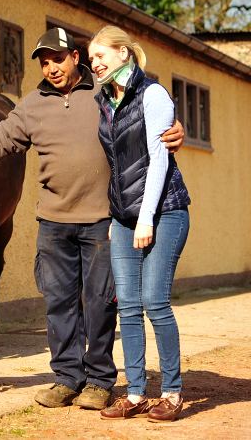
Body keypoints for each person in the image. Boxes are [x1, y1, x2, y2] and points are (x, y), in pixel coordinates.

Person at [0, 27, 184, 410]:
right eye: (44, 63)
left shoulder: (104, 91)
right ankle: (66, 378)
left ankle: (98, 381)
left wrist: (176, 129)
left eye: (57, 59)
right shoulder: (31, 104)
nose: (51, 68)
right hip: (54, 220)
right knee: (58, 303)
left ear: (76, 57)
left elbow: (149, 112)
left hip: (102, 220)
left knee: (99, 304)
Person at [87, 26, 190, 422]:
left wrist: (145, 217)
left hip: (165, 211)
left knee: (154, 301)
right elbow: (118, 169)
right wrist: (118, 216)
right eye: (91, 57)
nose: (94, 63)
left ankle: (172, 392)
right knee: (127, 306)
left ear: (125, 53)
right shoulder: (106, 102)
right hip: (126, 217)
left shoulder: (153, 94)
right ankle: (134, 394)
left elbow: (158, 159)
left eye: (101, 55)